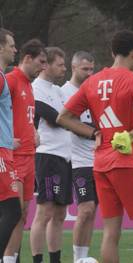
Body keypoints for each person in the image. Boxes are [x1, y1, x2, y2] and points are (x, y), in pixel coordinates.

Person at [56, 30, 133, 263]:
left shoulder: (92, 82)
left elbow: (63, 117)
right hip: (127, 162)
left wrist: (95, 133)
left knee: (110, 231)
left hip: (101, 164)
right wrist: (132, 135)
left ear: (112, 52)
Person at [3, 38, 47, 263]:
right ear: (27, 58)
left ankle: (11, 259)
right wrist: (6, 139)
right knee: (12, 212)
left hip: (30, 157)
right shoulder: (10, 80)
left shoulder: (29, 86)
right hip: (13, 158)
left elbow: (21, 117)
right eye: (41, 61)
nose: (43, 67)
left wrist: (33, 132)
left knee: (21, 215)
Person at [30, 46, 70, 263]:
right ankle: (37, 260)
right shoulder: (36, 89)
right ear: (46, 65)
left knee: (60, 213)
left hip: (65, 157)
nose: (64, 68)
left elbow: (67, 118)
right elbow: (57, 120)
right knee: (44, 212)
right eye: (60, 64)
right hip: (48, 156)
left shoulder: (58, 91)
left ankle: (55, 260)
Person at [60, 51, 97, 262]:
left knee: (92, 212)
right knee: (85, 209)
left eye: (92, 69)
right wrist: (94, 130)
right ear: (74, 68)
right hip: (78, 161)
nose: (89, 73)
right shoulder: (64, 92)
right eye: (85, 69)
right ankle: (76, 258)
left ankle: (83, 256)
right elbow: (67, 122)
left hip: (98, 159)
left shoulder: (93, 91)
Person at [0, 27, 21, 261]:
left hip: (5, 148)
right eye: (11, 44)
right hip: (0, 153)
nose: (15, 48)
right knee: (12, 210)